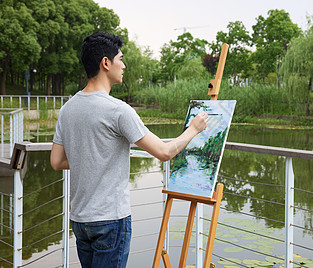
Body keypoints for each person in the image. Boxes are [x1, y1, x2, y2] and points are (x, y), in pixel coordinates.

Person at [50, 32, 208, 268]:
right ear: (106, 63)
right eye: (120, 59)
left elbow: (56, 161)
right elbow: (164, 152)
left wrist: (94, 157)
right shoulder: (119, 111)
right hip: (111, 221)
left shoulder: (68, 108)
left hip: (81, 221)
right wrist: (193, 129)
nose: (124, 65)